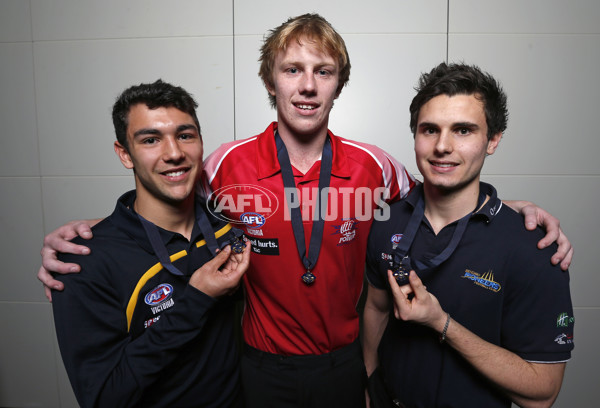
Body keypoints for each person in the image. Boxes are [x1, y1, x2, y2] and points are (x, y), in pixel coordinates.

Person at [39, 14, 572, 408]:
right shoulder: (222, 164)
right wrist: (86, 232)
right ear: (271, 82)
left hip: (345, 365)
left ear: (339, 84)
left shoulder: (376, 167)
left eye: (324, 70)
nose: (308, 84)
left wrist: (513, 209)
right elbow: (161, 194)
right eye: (292, 69)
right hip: (255, 366)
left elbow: (442, 194)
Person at [363, 63, 574, 408]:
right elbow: (375, 308)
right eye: (429, 129)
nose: (442, 146)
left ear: (492, 140)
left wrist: (440, 322)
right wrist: (369, 381)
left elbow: (543, 393)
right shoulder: (388, 221)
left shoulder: (534, 247)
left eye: (463, 130)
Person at [50, 79, 251, 408]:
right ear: (125, 154)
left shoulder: (226, 228)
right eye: (151, 140)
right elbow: (102, 398)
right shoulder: (83, 261)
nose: (174, 153)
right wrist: (196, 300)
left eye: (185, 135)